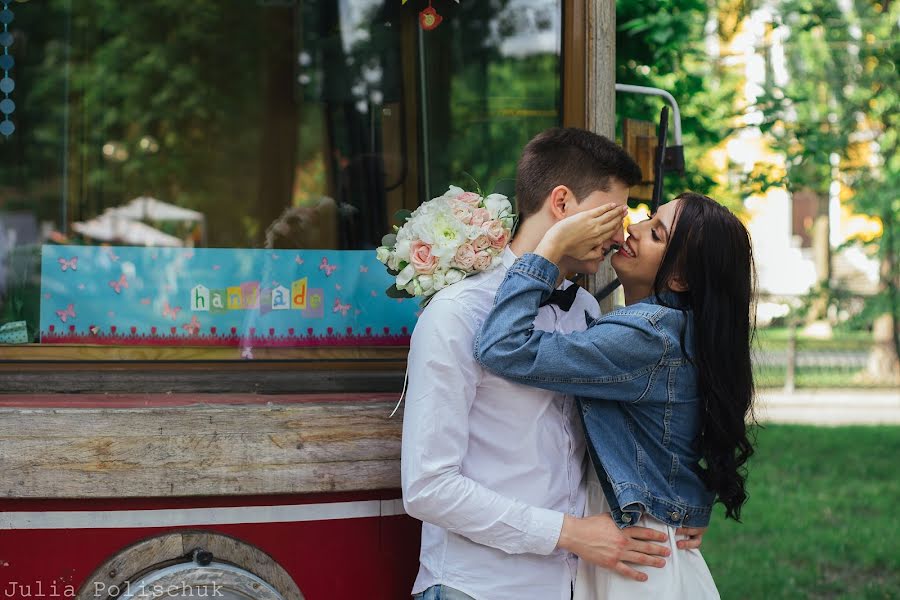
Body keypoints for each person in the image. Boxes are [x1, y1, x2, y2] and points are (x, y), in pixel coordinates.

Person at [401, 128, 706, 600]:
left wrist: (681, 505)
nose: (620, 235)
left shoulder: (586, 311)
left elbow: (654, 422)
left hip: (572, 585)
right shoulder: (458, 312)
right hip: (479, 587)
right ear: (562, 205)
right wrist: (570, 534)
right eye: (611, 215)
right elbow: (429, 487)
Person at [475, 192, 756, 599]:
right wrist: (693, 499)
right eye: (646, 218)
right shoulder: (683, 329)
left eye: (656, 234)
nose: (634, 230)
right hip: (641, 542)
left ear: (679, 279)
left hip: (634, 555)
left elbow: (504, 348)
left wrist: (548, 249)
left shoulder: (646, 334)